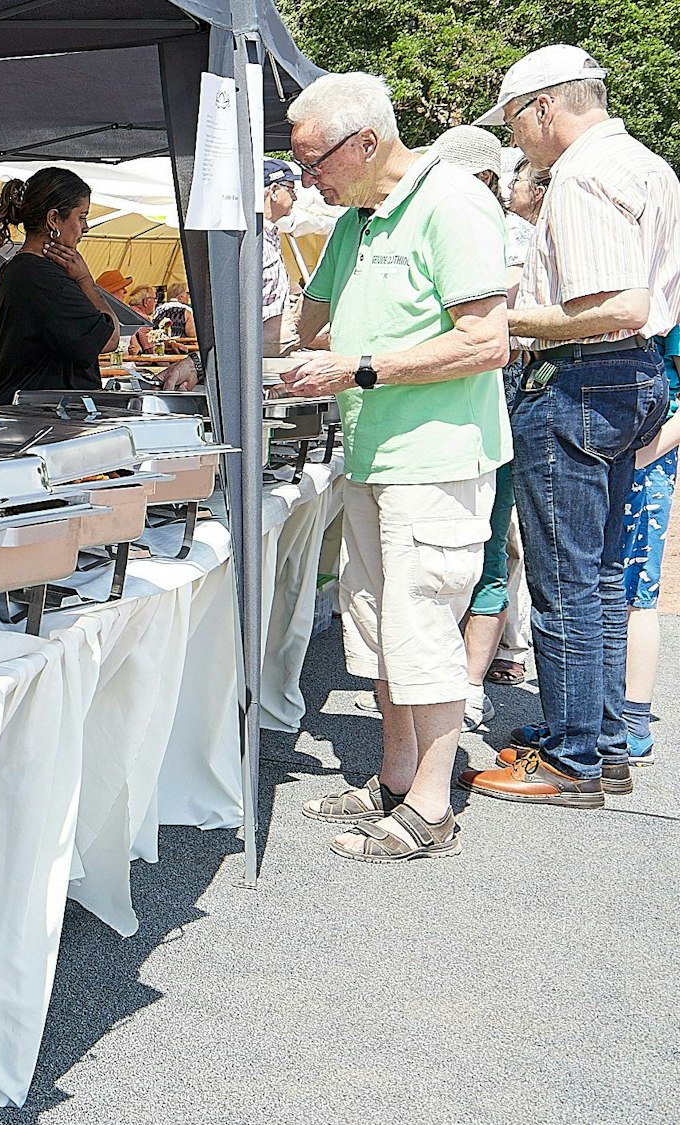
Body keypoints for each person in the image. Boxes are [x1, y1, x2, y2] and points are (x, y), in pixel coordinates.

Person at [278, 72, 511, 862]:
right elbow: (310, 323)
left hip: (436, 457)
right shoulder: (357, 220)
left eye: (315, 162)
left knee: (423, 629)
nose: (309, 178)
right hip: (375, 455)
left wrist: (362, 368)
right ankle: (396, 778)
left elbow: (486, 341)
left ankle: (433, 810)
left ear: (367, 142)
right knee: (380, 630)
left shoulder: (452, 203)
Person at [460, 45, 680, 808]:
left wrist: (503, 318)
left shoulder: (583, 174)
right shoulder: (647, 164)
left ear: (545, 108)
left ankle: (572, 755)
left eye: (515, 121)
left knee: (565, 581)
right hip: (632, 376)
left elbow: (618, 304)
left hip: (581, 376)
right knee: (602, 572)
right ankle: (604, 741)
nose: (516, 138)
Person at [454, 151, 543, 732]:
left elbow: (498, 324)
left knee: (481, 554)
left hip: (490, 410)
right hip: (491, 410)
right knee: (483, 553)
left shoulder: (506, 234)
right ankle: (463, 685)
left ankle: (463, 685)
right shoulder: (505, 231)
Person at [0, 167, 121, 401]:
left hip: (23, 417)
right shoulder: (42, 278)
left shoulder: (16, 269)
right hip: (42, 421)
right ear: (54, 219)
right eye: (81, 217)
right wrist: (85, 280)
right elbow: (109, 338)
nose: (85, 227)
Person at [261, 158, 301, 357]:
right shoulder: (253, 240)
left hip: (269, 351)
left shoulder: (268, 237)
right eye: (291, 189)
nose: (295, 197)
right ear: (274, 190)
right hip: (257, 352)